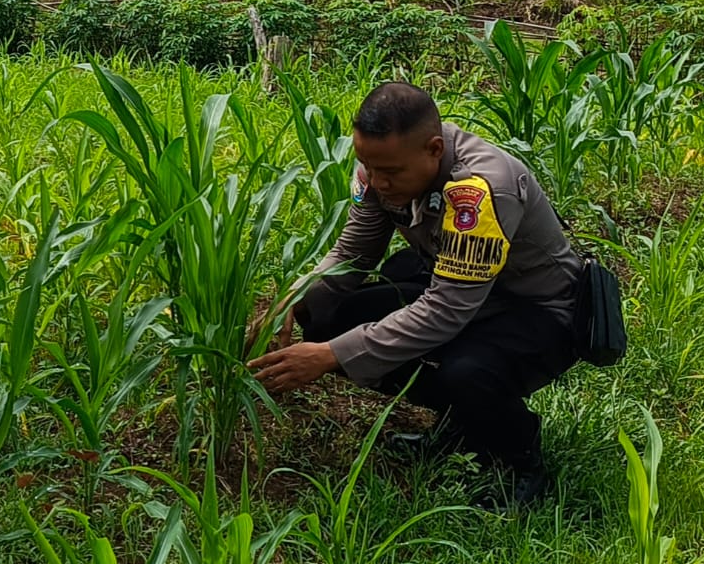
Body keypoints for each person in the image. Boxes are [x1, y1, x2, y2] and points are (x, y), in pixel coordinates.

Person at [248, 82, 583, 506]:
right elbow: (354, 251)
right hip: (462, 290)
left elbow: (445, 312)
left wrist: (331, 355)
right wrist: (292, 299)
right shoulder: (379, 168)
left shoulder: (480, 190)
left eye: (391, 172)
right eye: (368, 165)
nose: (379, 182)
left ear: (434, 149)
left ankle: (517, 456)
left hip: (539, 311)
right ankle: (460, 423)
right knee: (328, 312)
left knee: (464, 370)